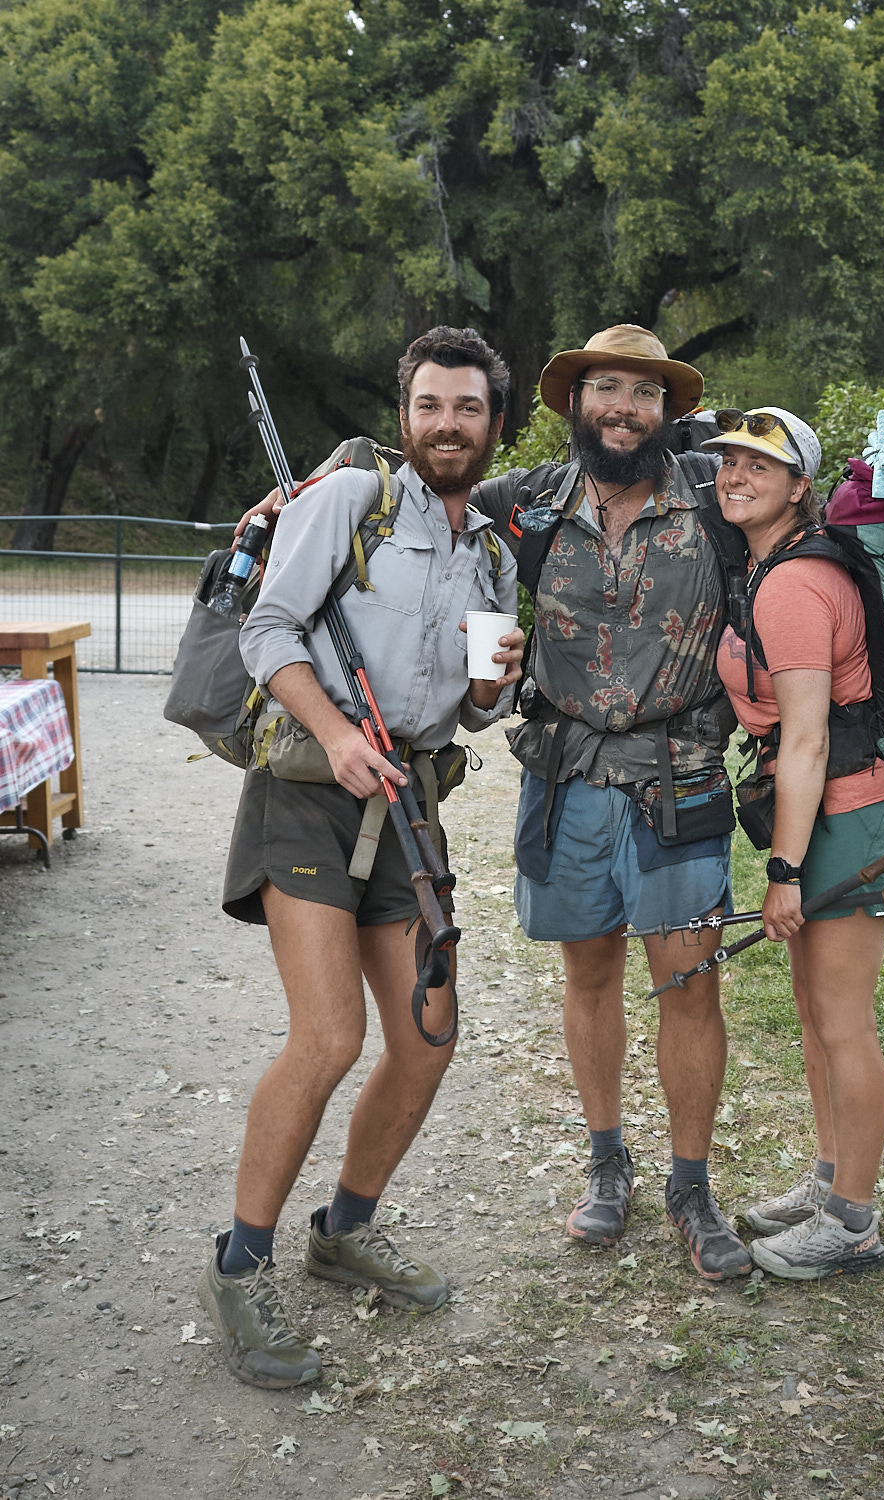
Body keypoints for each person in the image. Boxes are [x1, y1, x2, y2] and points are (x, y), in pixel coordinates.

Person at [468, 329, 884, 1282]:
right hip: (560, 781)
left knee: (687, 983)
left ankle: (691, 1185)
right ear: (574, 402)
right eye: (605, 387)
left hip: (679, 782)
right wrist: (330, 478)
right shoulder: (523, 507)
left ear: (668, 408)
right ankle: (607, 1166)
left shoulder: (715, 498)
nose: (622, 406)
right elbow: (424, 494)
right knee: (588, 975)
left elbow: (835, 503)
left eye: (643, 390)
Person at [200, 326, 524, 1387]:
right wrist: (337, 735)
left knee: (429, 1037)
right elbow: (270, 630)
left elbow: (479, 712)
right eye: (430, 404)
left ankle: (342, 1231)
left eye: (466, 408)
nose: (447, 424)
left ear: (492, 425)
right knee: (330, 1035)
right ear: (405, 417)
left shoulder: (492, 557)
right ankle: (241, 1265)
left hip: (408, 805)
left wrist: (490, 688)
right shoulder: (349, 503)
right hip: (306, 792)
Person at [709, 405, 884, 1279]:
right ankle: (830, 1180)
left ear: (801, 488)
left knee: (843, 1022)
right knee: (813, 1015)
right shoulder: (772, 565)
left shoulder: (793, 584)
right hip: (828, 810)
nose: (736, 477)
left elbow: (807, 739)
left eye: (761, 466)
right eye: (728, 463)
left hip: (849, 816)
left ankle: (855, 1224)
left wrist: (783, 871)